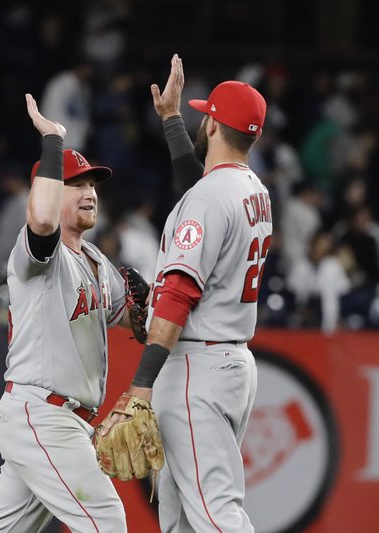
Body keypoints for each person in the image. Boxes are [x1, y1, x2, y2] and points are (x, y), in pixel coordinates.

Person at [99, 54, 271, 533]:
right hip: (228, 363)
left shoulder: (209, 198)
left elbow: (176, 294)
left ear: (214, 125)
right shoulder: (252, 189)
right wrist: (172, 119)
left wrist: (142, 382)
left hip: (196, 368)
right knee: (179, 518)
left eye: (204, 115)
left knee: (215, 515)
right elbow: (198, 191)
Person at [0, 94, 136, 532]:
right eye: (76, 183)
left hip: (62, 420)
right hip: (42, 414)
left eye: (92, 184)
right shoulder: (36, 257)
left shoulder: (98, 262)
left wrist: (150, 310)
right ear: (48, 189)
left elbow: (137, 320)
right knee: (107, 521)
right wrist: (52, 141)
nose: (89, 192)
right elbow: (43, 221)